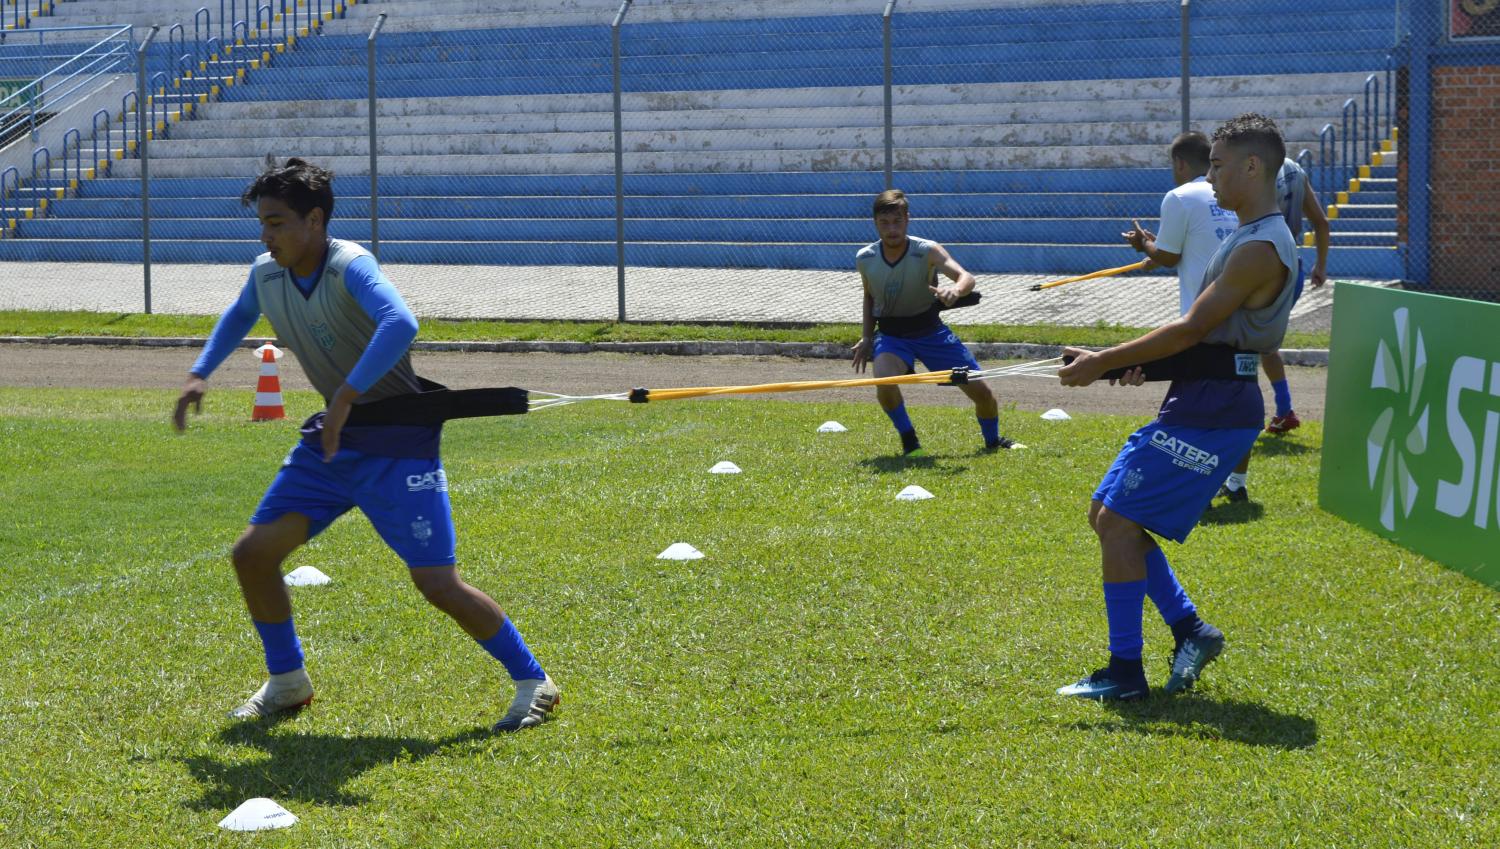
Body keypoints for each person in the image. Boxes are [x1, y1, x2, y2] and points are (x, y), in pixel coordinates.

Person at [173, 158, 559, 731]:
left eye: (277, 223)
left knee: (436, 583)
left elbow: (400, 324)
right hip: (330, 445)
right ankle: (288, 682)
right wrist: (201, 371)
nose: (266, 235)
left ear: (316, 220)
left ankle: (535, 681)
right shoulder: (267, 273)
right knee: (252, 556)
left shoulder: (350, 265)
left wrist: (346, 396)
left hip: (398, 442)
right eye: (263, 223)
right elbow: (240, 313)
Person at [1054, 114, 1300, 700]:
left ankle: (1125, 673)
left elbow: (1193, 329)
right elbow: (1207, 342)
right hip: (1201, 396)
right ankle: (1191, 630)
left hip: (1216, 409)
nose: (1208, 177)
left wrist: (1102, 363)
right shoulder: (1247, 236)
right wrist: (1122, 363)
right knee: (1106, 515)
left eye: (1217, 165)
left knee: (1117, 522)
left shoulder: (1261, 248)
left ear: (1252, 167)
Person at [851, 188, 1017, 455]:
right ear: (875, 223)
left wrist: (956, 290)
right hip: (892, 335)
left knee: (984, 394)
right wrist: (867, 337)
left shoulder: (926, 250)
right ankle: (909, 441)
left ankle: (992, 441)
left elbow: (966, 277)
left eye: (897, 221)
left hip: (931, 332)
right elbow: (870, 297)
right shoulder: (865, 258)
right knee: (883, 380)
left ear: (907, 219)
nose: (891, 229)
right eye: (884, 223)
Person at [1216, 155, 1332, 501]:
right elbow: (1321, 223)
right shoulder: (1296, 169)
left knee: (1241, 351)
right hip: (1291, 262)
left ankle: (1237, 442)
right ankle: (1283, 410)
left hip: (1261, 258)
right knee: (1262, 345)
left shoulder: (1254, 170)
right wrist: (1321, 265)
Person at [1121, 131, 1238, 318]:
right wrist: (1161, 245)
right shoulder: (1229, 193)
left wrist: (1143, 243)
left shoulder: (1179, 196)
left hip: (1202, 317)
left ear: (1180, 163)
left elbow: (1168, 258)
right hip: (1236, 313)